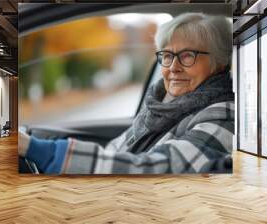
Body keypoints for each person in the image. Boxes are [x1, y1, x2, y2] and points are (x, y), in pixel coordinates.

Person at [19, 12, 234, 174]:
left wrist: (43, 150)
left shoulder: (224, 115)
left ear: (219, 63)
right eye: (167, 55)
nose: (173, 67)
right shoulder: (161, 104)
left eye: (188, 56)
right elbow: (116, 150)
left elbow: (159, 170)